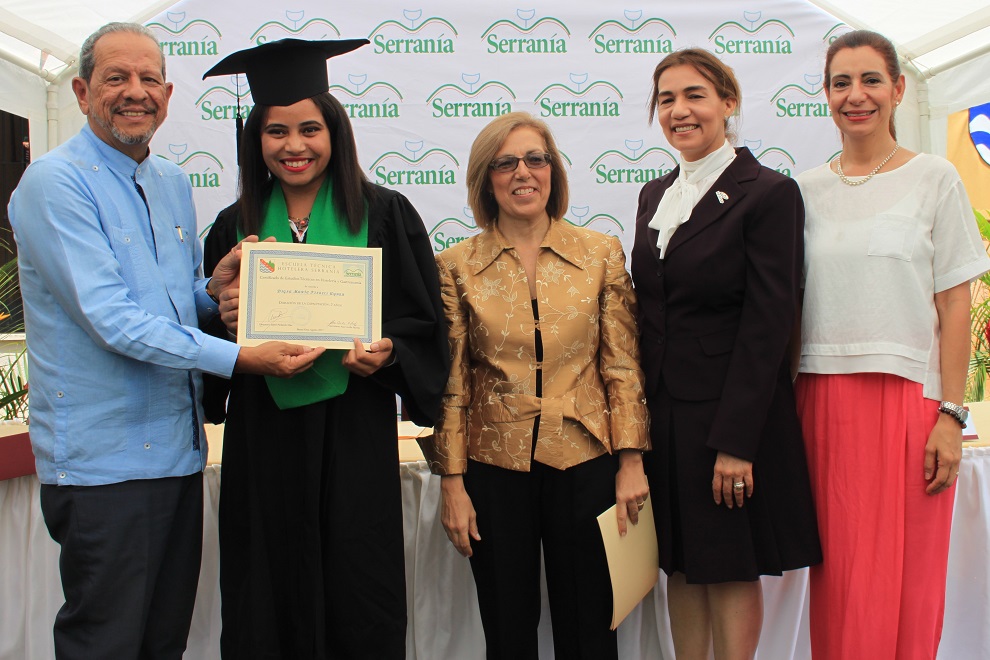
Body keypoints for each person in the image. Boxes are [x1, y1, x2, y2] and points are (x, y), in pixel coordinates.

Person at [6, 23, 323, 660]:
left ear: (169, 94)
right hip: (104, 467)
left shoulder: (171, 183)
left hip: (177, 457)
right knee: (107, 641)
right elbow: (114, 321)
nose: (135, 92)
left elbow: (175, 303)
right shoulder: (54, 185)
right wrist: (242, 356)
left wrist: (220, 287)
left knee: (162, 640)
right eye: (116, 78)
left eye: (149, 79)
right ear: (80, 90)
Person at [200, 39, 450, 659]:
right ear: (254, 139)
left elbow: (424, 324)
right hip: (266, 433)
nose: (294, 145)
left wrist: (388, 352)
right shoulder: (235, 228)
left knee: (358, 587)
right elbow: (209, 339)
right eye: (276, 131)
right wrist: (222, 311)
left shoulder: (386, 214)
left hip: (354, 429)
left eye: (309, 128)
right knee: (267, 587)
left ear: (335, 131)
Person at [420, 112, 650, 660]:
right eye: (505, 162)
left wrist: (632, 461)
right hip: (493, 466)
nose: (522, 172)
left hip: (587, 458)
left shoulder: (602, 253)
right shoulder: (454, 266)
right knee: (507, 627)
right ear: (486, 178)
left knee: (592, 628)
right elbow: (452, 384)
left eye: (535, 158)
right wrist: (452, 482)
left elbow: (622, 367)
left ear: (553, 170)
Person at [795, 30, 990, 660]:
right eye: (842, 82)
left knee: (908, 576)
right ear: (825, 95)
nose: (857, 96)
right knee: (843, 580)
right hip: (819, 402)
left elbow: (954, 303)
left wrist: (950, 413)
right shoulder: (799, 192)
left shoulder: (934, 178)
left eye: (871, 80)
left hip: (912, 406)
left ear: (899, 89)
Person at [629, 49, 822, 659]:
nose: (679, 111)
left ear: (728, 103)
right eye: (666, 99)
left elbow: (770, 323)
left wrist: (736, 441)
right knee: (682, 563)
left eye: (694, 96)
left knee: (731, 565)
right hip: (665, 412)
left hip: (729, 418)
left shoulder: (767, 193)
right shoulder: (654, 193)